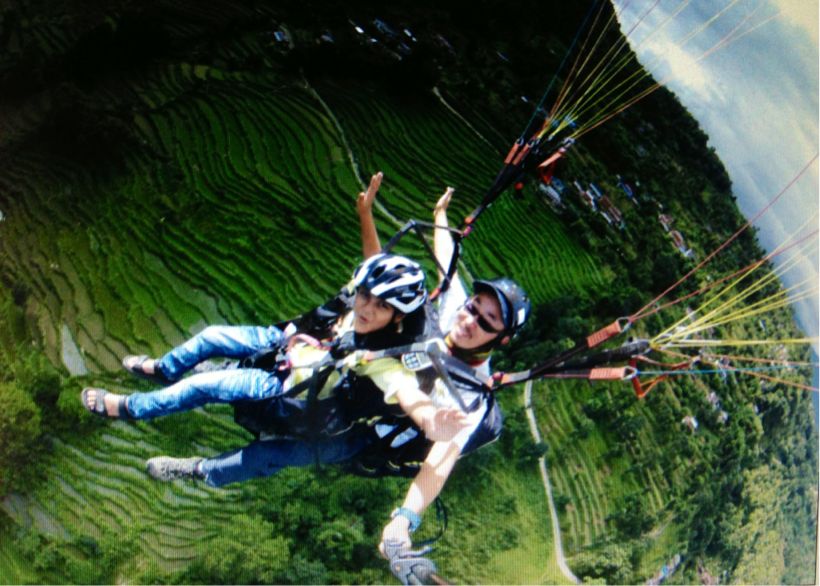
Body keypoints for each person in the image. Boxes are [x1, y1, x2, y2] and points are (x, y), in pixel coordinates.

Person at [136, 173, 532, 560]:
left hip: (361, 428)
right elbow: (438, 259)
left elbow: (438, 466)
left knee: (276, 454)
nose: (469, 321)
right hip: (346, 376)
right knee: (259, 365)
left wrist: (404, 520)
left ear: (501, 339)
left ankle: (200, 470)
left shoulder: (469, 396)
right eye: (472, 308)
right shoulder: (454, 310)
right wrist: (435, 215)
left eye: (486, 323)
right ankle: (194, 376)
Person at [81, 253, 468, 447]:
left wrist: (433, 421)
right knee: (211, 335)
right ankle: (165, 369)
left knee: (200, 388)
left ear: (397, 317)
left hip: (281, 384)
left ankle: (129, 407)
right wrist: (366, 212)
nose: (366, 308)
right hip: (284, 341)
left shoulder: (382, 362)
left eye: (380, 307)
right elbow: (373, 254)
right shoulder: (359, 300)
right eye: (365, 296)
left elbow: (409, 396)